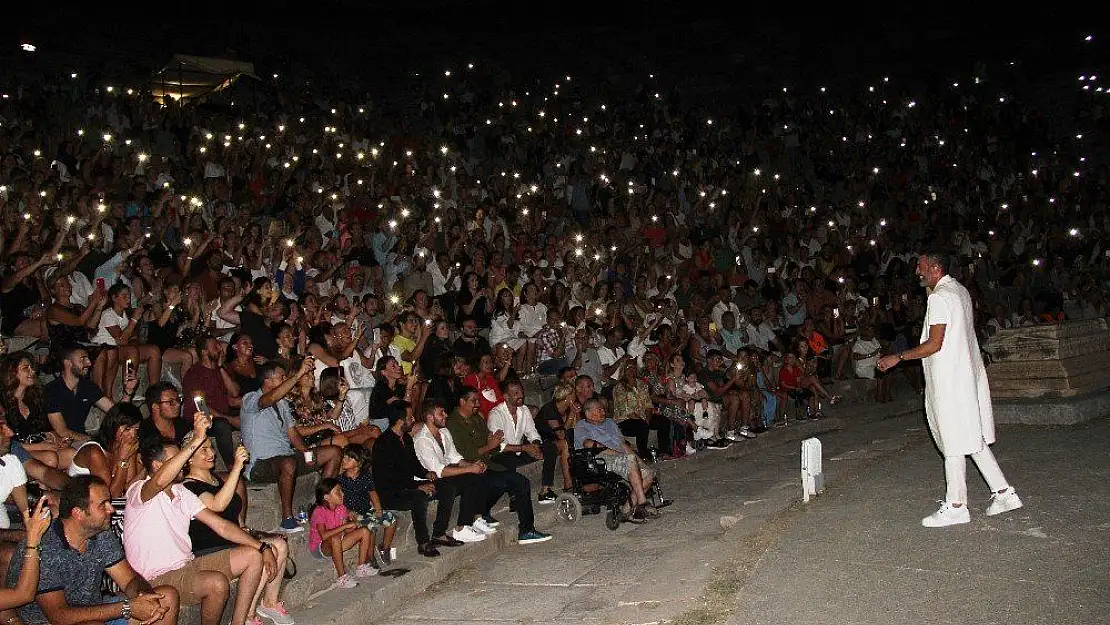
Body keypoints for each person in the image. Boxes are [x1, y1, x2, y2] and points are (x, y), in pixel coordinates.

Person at [877, 252, 1023, 527]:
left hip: (950, 378)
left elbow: (934, 344)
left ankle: (956, 505)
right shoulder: (960, 290)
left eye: (920, 268)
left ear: (935, 268)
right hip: (964, 374)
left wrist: (898, 356)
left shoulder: (939, 297)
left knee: (953, 439)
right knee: (969, 436)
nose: (917, 273)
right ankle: (1004, 493)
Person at [125, 422, 282, 625]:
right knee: (217, 583)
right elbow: (158, 482)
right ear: (157, 466)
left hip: (186, 564)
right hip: (156, 577)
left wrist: (261, 546)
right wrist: (196, 440)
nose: (184, 462)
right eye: (177, 458)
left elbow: (222, 526)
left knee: (252, 555)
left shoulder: (182, 492)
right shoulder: (138, 491)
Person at [4, 474, 181, 625]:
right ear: (78, 514)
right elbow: (59, 615)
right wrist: (127, 608)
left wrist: (146, 598)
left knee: (166, 597)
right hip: (49, 621)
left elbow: (128, 580)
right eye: (103, 505)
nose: (111, 509)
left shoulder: (100, 533)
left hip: (95, 611)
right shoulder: (46, 546)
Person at [240, 358, 342, 532]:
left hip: (287, 457)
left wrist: (307, 453)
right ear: (268, 381)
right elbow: (267, 400)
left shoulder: (282, 404)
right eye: (281, 377)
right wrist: (298, 375)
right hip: (261, 464)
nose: (286, 379)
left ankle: (320, 507)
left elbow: (292, 433)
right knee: (288, 462)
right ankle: (286, 519)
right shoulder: (250, 398)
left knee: (334, 452)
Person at [446, 389, 553, 545]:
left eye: (477, 401)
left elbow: (493, 444)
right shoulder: (453, 423)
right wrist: (490, 445)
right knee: (513, 481)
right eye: (473, 401)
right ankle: (520, 528)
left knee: (512, 480)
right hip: (467, 468)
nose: (477, 404)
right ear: (462, 402)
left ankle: (520, 528)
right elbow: (466, 454)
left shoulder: (476, 418)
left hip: (486, 464)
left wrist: (493, 442)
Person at [412, 401, 493, 543]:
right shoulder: (422, 439)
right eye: (441, 413)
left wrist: (473, 465)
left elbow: (454, 456)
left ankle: (476, 519)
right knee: (466, 480)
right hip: (430, 479)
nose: (445, 415)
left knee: (478, 474)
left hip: (444, 474)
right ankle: (461, 528)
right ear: (430, 417)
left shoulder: (443, 432)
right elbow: (439, 471)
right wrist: (469, 469)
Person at [574, 398, 665, 521]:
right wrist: (616, 453)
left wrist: (641, 462)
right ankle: (642, 502)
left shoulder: (610, 423)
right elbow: (588, 444)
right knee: (630, 459)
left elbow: (623, 444)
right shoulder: (582, 426)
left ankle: (627, 509)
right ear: (588, 413)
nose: (603, 412)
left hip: (623, 457)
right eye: (599, 410)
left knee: (649, 474)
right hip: (599, 458)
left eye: (603, 409)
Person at [307, 478, 378, 589]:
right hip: (320, 547)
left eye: (341, 490)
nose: (342, 494)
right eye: (338, 492)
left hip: (338, 541)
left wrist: (352, 526)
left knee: (365, 531)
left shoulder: (341, 508)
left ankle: (361, 567)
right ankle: (342, 577)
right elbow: (324, 536)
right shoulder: (319, 512)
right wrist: (344, 526)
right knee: (334, 538)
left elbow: (345, 530)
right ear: (327, 497)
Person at [182, 336, 242, 466]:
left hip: (221, 416)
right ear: (204, 352)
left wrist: (220, 368)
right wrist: (230, 419)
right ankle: (231, 466)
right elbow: (202, 407)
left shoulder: (220, 370)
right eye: (215, 346)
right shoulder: (194, 374)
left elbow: (235, 392)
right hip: (199, 419)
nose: (220, 348)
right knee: (222, 425)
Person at [336, 445, 397, 565]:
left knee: (392, 520)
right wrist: (347, 511)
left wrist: (378, 508)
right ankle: (370, 557)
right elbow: (338, 501)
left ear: (358, 463)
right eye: (344, 457)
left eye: (349, 458)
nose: (344, 460)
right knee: (371, 527)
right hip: (352, 515)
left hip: (367, 510)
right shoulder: (340, 480)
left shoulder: (365, 476)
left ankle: (385, 548)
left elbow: (372, 492)